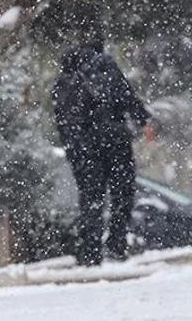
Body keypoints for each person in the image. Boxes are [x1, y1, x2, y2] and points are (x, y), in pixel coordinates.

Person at [53, 38, 154, 265]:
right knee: (122, 195)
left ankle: (91, 252)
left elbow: (61, 121)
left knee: (91, 200)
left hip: (82, 149)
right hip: (114, 142)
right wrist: (143, 121)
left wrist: (74, 148)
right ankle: (116, 246)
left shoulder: (64, 80)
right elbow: (125, 95)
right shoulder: (105, 66)